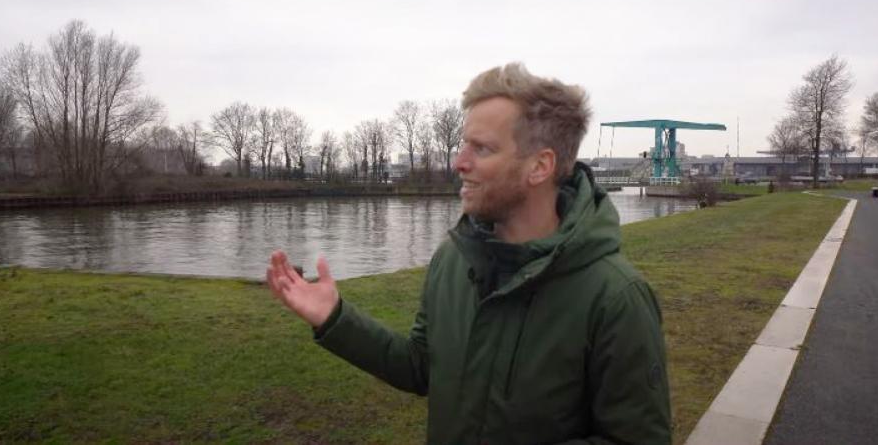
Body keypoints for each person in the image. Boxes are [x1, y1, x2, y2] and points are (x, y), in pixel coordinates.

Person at [267, 63, 671, 444]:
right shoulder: (453, 260)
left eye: (482, 149)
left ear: (539, 166)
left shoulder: (616, 298)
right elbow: (421, 367)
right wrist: (336, 319)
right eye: (464, 145)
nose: (459, 162)